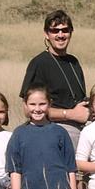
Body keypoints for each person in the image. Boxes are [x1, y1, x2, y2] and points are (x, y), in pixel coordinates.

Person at [19, 9, 89, 149]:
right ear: (46, 34)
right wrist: (71, 114)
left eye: (65, 30)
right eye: (55, 31)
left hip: (84, 129)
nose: (60, 35)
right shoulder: (39, 64)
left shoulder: (73, 62)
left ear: (71, 32)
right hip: (56, 132)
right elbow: (28, 110)